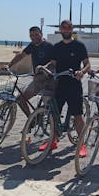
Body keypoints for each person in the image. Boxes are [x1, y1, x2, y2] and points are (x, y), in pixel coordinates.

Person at [37, 20, 90, 157]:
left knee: (77, 115)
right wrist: (44, 66)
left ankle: (81, 144)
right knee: (54, 114)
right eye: (63, 28)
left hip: (74, 84)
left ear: (72, 29)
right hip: (59, 84)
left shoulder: (79, 46)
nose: (66, 30)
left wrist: (82, 72)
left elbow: (87, 64)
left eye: (68, 28)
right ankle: (53, 141)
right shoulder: (57, 47)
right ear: (60, 30)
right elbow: (53, 62)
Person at [6, 26, 54, 116]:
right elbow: (21, 55)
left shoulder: (49, 46)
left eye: (36, 34)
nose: (34, 37)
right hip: (38, 78)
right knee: (21, 99)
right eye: (31, 35)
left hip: (48, 78)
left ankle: (40, 118)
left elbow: (55, 61)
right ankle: (31, 121)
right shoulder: (32, 45)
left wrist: (44, 67)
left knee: (51, 105)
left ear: (41, 34)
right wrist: (9, 65)